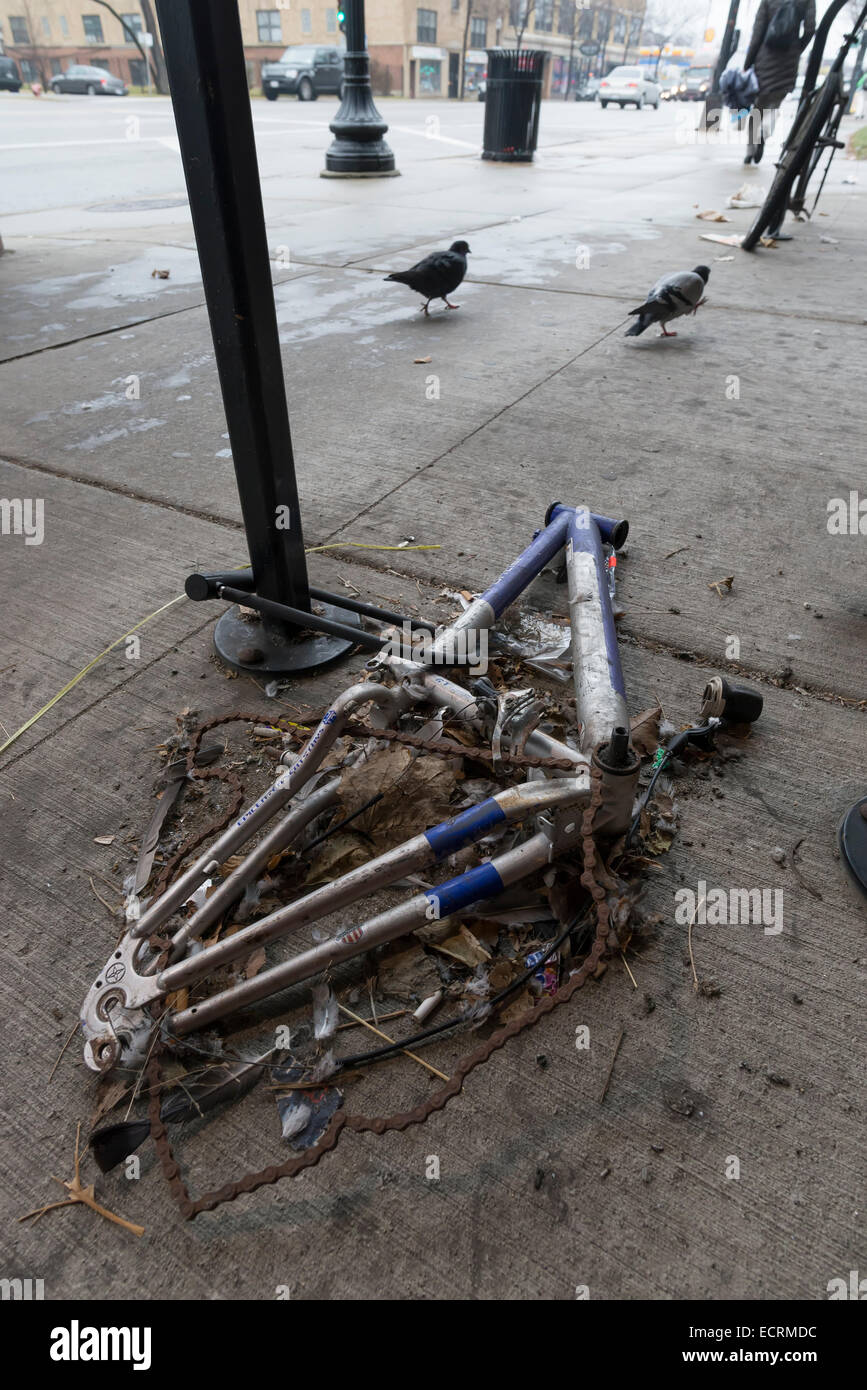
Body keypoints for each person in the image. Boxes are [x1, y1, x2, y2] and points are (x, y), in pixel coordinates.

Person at [743, 0, 816, 166]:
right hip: (788, 58)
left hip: (765, 55)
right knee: (775, 104)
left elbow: (757, 32)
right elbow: (811, 28)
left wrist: (748, 63)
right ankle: (764, 133)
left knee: (758, 107)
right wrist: (797, 47)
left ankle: (750, 149)